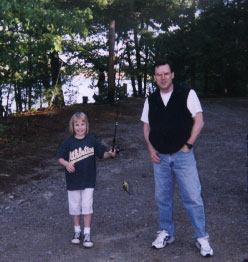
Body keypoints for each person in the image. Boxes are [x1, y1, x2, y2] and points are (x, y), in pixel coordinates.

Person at [141, 59, 214, 257]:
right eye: (159, 74)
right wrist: (150, 149)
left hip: (183, 156)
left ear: (172, 74)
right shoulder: (151, 99)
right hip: (160, 158)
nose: (163, 78)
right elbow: (146, 126)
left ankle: (201, 237)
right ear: (154, 77)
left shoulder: (187, 94)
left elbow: (199, 120)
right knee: (162, 197)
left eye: (166, 73)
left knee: (193, 197)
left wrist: (188, 145)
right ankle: (166, 232)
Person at [57, 112, 116, 248]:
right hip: (72, 181)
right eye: (76, 125)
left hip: (89, 181)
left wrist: (111, 153)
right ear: (72, 126)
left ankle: (87, 233)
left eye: (82, 124)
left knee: (87, 206)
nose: (79, 127)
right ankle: (77, 231)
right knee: (75, 207)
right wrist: (66, 164)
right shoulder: (68, 142)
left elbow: (102, 155)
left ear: (86, 125)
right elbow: (59, 157)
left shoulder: (92, 141)